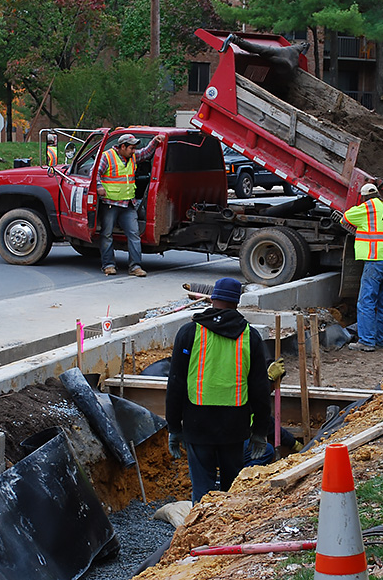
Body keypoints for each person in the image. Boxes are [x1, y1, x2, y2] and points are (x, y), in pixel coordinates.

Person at [165, 277, 275, 502]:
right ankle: (227, 532)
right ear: (237, 303)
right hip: (234, 429)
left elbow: (175, 383)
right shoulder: (250, 336)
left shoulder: (189, 333)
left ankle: (200, 533)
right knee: (231, 491)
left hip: (198, 425)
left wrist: (174, 426)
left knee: (202, 494)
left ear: (213, 298)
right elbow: (260, 389)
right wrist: (260, 431)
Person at [341, 182, 383, 352]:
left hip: (374, 261)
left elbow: (346, 218)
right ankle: (380, 340)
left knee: (366, 301)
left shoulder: (368, 207)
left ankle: (366, 341)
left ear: (364, 197)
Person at [97, 133, 163, 277]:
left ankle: (135, 267)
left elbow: (145, 153)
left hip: (128, 204)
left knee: (134, 235)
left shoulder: (132, 157)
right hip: (110, 203)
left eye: (134, 149)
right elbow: (95, 172)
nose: (134, 151)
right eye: (131, 148)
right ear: (122, 147)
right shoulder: (107, 157)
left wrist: (154, 142)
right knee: (107, 235)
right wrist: (99, 187)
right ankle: (108, 265)